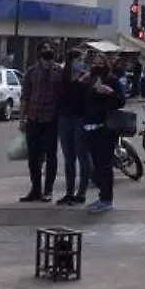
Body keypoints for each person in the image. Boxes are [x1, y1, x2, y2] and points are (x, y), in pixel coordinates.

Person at [17, 44, 63, 202]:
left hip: (51, 118)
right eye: (45, 53)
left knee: (50, 155)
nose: (48, 58)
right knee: (33, 157)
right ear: (39, 56)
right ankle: (35, 189)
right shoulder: (31, 72)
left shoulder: (59, 72)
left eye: (50, 53)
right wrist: (22, 118)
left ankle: (48, 190)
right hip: (34, 117)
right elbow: (25, 96)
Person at [81, 58, 127, 215]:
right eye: (94, 62)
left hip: (106, 128)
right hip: (90, 127)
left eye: (101, 62)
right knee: (96, 165)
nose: (97, 65)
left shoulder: (112, 81)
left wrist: (108, 92)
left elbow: (121, 101)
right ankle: (103, 196)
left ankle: (107, 199)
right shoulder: (89, 80)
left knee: (104, 164)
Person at [55, 50, 93, 206]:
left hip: (80, 119)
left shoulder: (86, 78)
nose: (80, 63)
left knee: (83, 156)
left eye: (82, 60)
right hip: (65, 118)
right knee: (69, 158)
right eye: (78, 59)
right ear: (70, 61)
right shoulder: (62, 78)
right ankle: (69, 192)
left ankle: (81, 192)